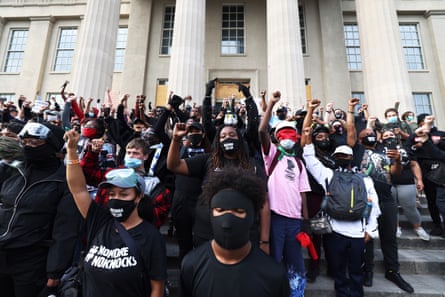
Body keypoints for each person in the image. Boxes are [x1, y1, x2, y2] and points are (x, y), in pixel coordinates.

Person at [65, 129, 167, 297]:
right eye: (112, 194)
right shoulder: (99, 222)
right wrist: (71, 150)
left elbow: (157, 288)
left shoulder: (151, 237)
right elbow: (78, 189)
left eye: (124, 194)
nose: (116, 198)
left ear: (138, 197)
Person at [179, 168, 290, 297]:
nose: (227, 222)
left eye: (238, 211)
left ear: (253, 216)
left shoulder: (273, 275)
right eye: (220, 210)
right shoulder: (191, 266)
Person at [0, 121, 81, 297]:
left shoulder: (64, 180)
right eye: (25, 142)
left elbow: (65, 230)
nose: (28, 146)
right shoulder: (12, 170)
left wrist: (55, 271)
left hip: (32, 261)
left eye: (35, 143)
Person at [302, 135, 381, 297]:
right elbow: (373, 206)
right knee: (353, 271)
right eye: (340, 156)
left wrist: (371, 230)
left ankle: (344, 294)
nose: (342, 159)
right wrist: (371, 230)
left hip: (340, 234)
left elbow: (309, 159)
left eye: (342, 156)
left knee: (342, 272)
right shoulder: (364, 179)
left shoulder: (328, 175)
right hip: (353, 233)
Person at [258, 90, 311, 296]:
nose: (287, 138)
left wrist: (305, 220)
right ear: (277, 138)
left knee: (296, 262)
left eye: (291, 134)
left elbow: (303, 192)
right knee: (275, 260)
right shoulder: (271, 155)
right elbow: (262, 132)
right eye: (283, 134)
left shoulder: (298, 162)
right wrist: (271, 104)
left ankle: (297, 293)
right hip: (276, 219)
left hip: (295, 221)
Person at [357, 128, 414, 293]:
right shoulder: (356, 149)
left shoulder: (385, 151)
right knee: (367, 237)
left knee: (389, 237)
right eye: (365, 133)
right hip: (365, 198)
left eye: (371, 133)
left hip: (386, 198)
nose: (368, 134)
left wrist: (396, 161)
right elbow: (353, 132)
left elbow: (394, 173)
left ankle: (392, 271)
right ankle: (368, 270)